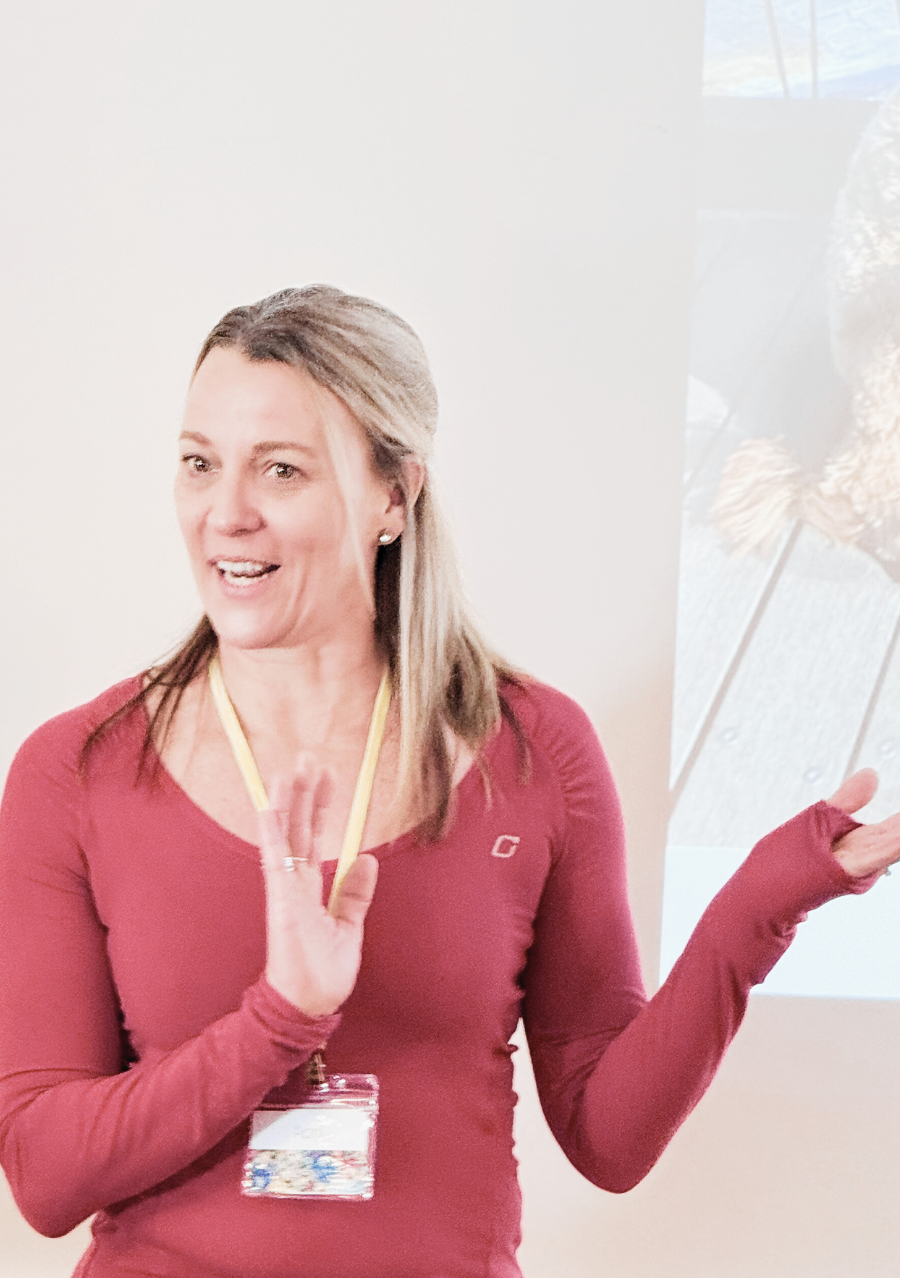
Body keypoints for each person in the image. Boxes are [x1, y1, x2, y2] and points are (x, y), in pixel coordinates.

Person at [0, 285, 896, 1278]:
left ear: (394, 495)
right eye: (198, 463)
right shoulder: (76, 773)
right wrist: (279, 1019)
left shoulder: (534, 753)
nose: (226, 513)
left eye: (281, 469)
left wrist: (760, 905)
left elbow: (609, 1135)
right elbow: (44, 1173)